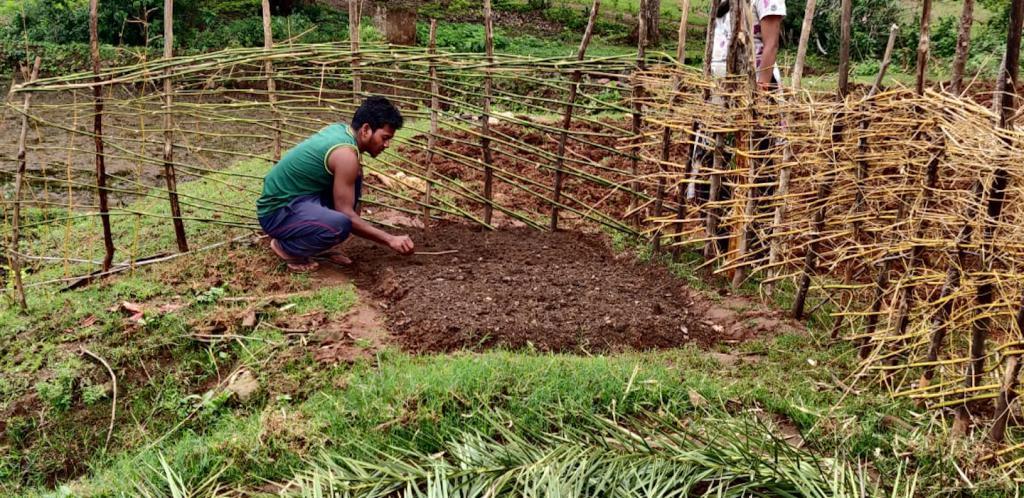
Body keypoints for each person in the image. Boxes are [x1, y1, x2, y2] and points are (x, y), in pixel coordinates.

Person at [256, 96, 415, 272]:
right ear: (366, 129)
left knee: (355, 178)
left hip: (300, 198)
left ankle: (314, 243)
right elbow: (347, 215)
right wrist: (390, 239)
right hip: (277, 210)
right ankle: (286, 248)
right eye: (384, 137)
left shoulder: (342, 131)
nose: (387, 145)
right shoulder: (345, 154)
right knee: (341, 224)